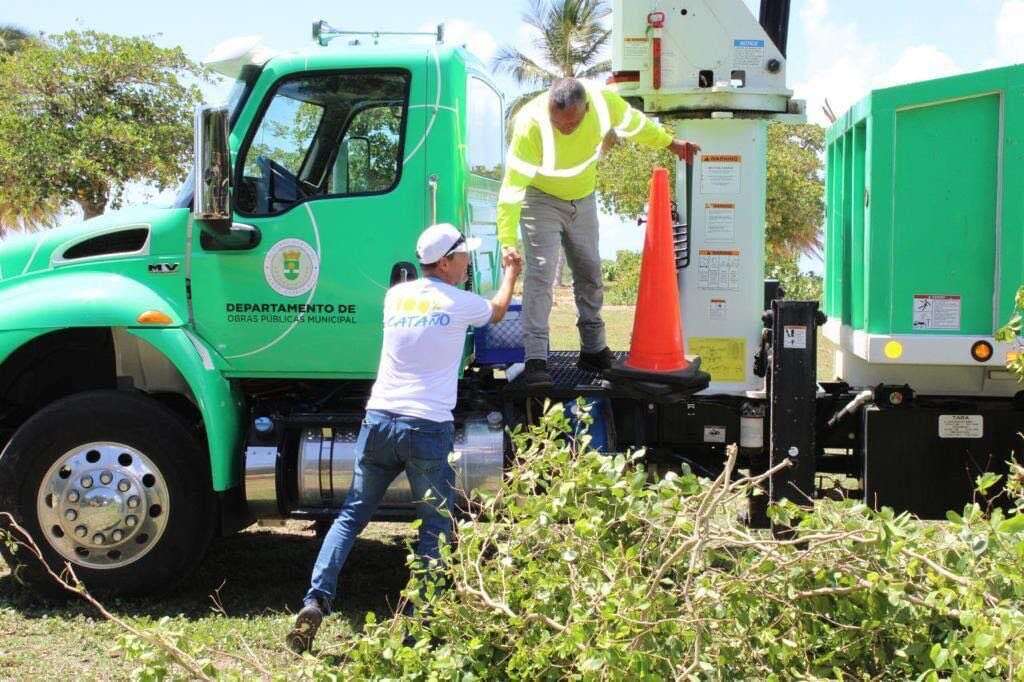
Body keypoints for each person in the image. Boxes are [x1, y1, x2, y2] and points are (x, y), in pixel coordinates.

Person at [286, 223, 522, 654]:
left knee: (350, 517)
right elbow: (499, 311)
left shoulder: (395, 297)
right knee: (436, 525)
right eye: (463, 256)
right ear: (445, 263)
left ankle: (315, 600)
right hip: (426, 427)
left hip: (379, 420)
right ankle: (421, 624)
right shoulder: (460, 303)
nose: (467, 262)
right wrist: (511, 273)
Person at [497, 77, 700, 387]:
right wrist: (507, 240)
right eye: (557, 122)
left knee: (590, 272)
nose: (564, 128)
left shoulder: (605, 104)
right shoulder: (530, 126)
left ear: (588, 109)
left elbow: (637, 125)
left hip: (583, 198)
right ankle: (536, 359)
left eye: (571, 123)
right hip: (540, 201)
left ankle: (593, 349)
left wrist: (670, 143)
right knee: (541, 275)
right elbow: (512, 190)